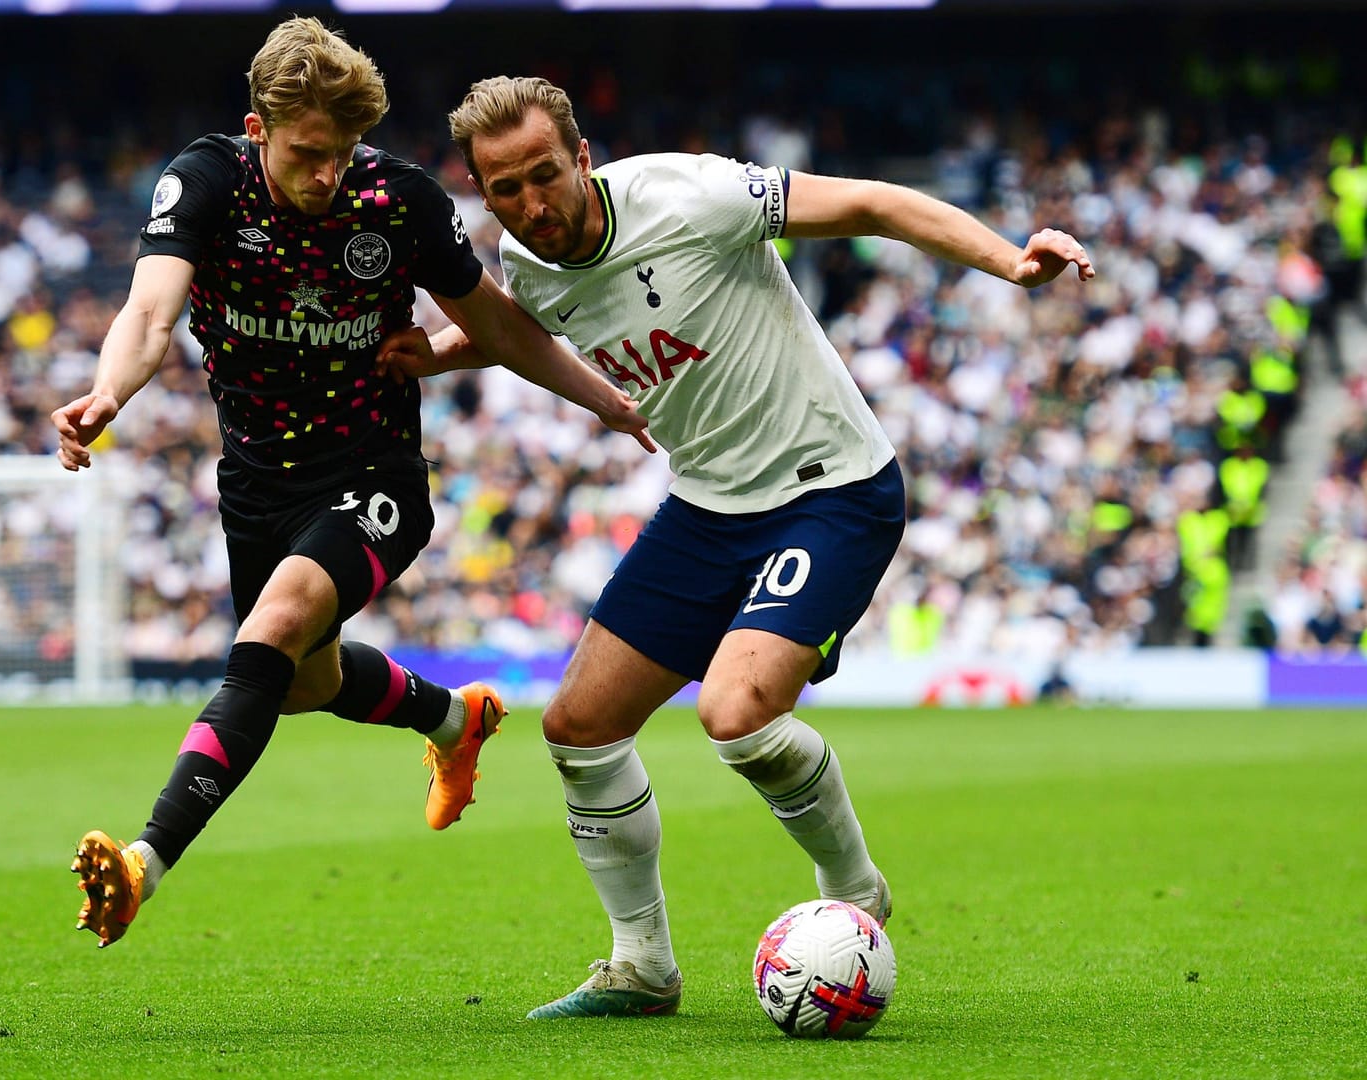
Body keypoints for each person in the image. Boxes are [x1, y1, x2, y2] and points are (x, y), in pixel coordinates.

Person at [383, 75, 1094, 1018]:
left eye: (544, 175)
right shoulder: (524, 254)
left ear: (583, 156)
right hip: (708, 504)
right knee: (579, 728)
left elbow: (875, 203)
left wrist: (1010, 261)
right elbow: (522, 326)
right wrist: (436, 350)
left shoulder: (693, 196)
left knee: (736, 711)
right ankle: (641, 966)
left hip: (830, 489)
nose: (530, 204)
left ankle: (856, 892)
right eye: (503, 188)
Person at [50, 24, 651, 949]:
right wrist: (109, 393)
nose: (326, 173)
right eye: (306, 153)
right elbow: (149, 309)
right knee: (300, 681)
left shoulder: (397, 201)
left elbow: (495, 321)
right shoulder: (206, 182)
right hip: (256, 483)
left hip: (374, 475)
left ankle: (143, 862)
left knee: (278, 625)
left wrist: (602, 398)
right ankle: (455, 718)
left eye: (340, 154)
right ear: (258, 128)